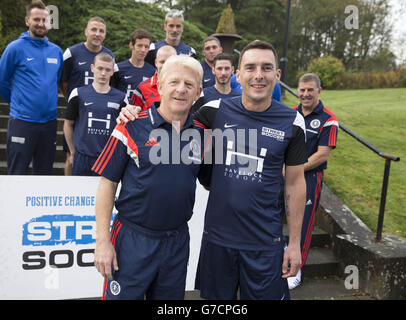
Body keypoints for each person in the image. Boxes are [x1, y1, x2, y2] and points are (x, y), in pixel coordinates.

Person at [119, 40, 308, 300]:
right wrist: (131, 112)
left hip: (265, 243)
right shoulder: (211, 111)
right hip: (218, 242)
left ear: (277, 75)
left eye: (266, 68)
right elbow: (170, 114)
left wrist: (295, 244)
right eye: (250, 67)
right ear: (238, 74)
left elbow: (296, 183)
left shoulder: (293, 122)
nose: (258, 75)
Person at [93, 54, 209, 300]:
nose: (181, 90)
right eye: (174, 82)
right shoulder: (131, 124)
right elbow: (107, 183)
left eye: (189, 85)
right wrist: (102, 242)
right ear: (159, 86)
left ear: (198, 92)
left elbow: (212, 181)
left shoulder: (202, 135)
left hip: (177, 242)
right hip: (133, 239)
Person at [287, 73, 339, 289]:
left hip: (309, 177)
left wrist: (293, 169)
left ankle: (296, 269)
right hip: (285, 175)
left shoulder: (329, 118)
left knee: (304, 221)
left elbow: (322, 155)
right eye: (302, 90)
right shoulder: (290, 114)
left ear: (319, 91)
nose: (305, 94)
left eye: (310, 90)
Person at [0, 0, 63, 175]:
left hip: (49, 123)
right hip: (22, 122)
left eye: (44, 20)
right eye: (36, 19)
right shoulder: (15, 48)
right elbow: (2, 81)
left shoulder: (56, 51)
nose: (41, 24)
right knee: (16, 173)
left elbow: (55, 81)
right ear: (27, 21)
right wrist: (18, 104)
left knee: (43, 175)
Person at [60, 16, 117, 176]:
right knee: (71, 155)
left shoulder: (109, 55)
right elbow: (63, 81)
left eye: (101, 31)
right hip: (78, 110)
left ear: (105, 35)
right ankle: (69, 190)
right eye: (93, 29)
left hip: (99, 110)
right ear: (86, 32)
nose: (97, 34)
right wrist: (74, 100)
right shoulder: (72, 53)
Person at [63, 53, 127, 176]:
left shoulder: (121, 98)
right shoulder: (78, 93)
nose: (103, 73)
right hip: (82, 158)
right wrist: (72, 151)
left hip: (108, 158)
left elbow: (125, 129)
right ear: (92, 68)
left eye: (107, 69)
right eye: (100, 68)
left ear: (112, 71)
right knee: (79, 194)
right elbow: (68, 123)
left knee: (105, 195)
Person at [110, 28, 156, 99]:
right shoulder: (117, 68)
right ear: (131, 45)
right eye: (139, 46)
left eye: (146, 47)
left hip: (144, 109)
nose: (143, 50)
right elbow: (111, 92)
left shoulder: (153, 72)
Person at [130, 45, 176, 110]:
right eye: (162, 62)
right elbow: (131, 115)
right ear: (156, 62)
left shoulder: (183, 88)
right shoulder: (142, 88)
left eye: (169, 62)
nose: (165, 65)